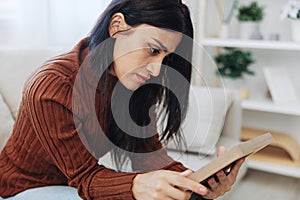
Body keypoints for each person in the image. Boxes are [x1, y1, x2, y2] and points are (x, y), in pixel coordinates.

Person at [0, 0, 245, 199]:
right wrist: (138, 185)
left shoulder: (130, 82)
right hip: (21, 188)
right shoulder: (54, 84)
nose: (157, 70)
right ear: (116, 26)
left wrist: (199, 183)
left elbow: (149, 155)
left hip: (71, 184)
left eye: (166, 57)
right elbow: (85, 177)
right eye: (152, 50)